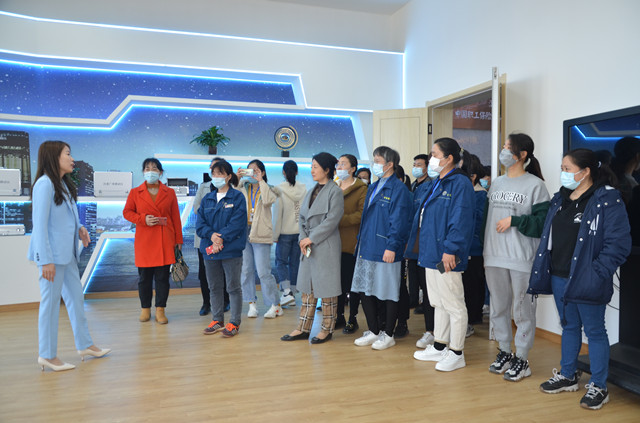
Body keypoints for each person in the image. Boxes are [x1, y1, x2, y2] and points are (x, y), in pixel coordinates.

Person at [529, 148, 631, 410]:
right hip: (559, 276)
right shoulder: (560, 198)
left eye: (567, 169)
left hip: (588, 278)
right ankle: (568, 375)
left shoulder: (606, 199)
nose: (563, 173)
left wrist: (597, 273)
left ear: (585, 172)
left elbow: (619, 244)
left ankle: (599, 386)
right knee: (569, 326)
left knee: (595, 331)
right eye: (562, 168)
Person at [28, 141, 110, 371]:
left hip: (67, 255)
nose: (72, 159)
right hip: (52, 258)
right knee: (50, 305)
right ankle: (47, 355)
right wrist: (45, 260)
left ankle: (85, 344)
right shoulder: (44, 184)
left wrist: (81, 228)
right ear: (54, 157)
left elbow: (64, 218)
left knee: (76, 299)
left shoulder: (62, 184)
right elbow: (40, 225)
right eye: (68, 154)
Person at [483, 133, 550, 381]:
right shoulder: (497, 183)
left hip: (521, 258)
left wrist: (515, 220)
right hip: (493, 256)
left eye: (508, 148)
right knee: (498, 307)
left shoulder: (536, 185)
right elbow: (486, 220)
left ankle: (522, 358)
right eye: (503, 146)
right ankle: (504, 351)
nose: (503, 151)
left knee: (522, 310)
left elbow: (542, 224)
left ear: (522, 155)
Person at [411, 138, 474, 372]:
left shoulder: (460, 184)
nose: (431, 159)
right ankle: (439, 345)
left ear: (449, 159)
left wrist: (451, 249)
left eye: (435, 154)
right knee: (438, 302)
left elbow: (461, 219)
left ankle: (457, 352)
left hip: (446, 255)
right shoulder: (438, 182)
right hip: (432, 253)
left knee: (454, 304)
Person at [352, 146, 412, 351]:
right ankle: (374, 330)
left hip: (386, 248)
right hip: (367, 245)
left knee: (388, 291)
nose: (374, 164)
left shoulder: (399, 189)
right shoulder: (373, 187)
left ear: (389, 165)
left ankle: (388, 334)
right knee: (365, 289)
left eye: (377, 161)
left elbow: (399, 222)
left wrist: (392, 246)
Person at [281, 152, 344, 344]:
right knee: (308, 289)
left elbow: (332, 220)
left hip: (325, 246)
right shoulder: (311, 190)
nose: (312, 170)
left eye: (315, 167)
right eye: (311, 166)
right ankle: (303, 328)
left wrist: (311, 238)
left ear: (327, 170)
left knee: (327, 290)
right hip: (308, 247)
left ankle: (327, 329)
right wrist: (303, 238)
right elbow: (302, 218)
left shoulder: (335, 191)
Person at [123, 158, 183, 324]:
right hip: (145, 241)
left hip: (165, 240)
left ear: (160, 172)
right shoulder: (135, 192)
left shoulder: (169, 193)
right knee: (144, 279)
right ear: (143, 172)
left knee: (162, 278)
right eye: (147, 168)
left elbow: (176, 218)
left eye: (154, 168)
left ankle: (160, 310)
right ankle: (145, 309)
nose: (150, 171)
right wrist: (142, 219)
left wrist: (178, 239)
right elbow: (127, 212)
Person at [196, 160, 247, 337]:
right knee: (214, 287)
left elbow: (237, 223)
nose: (216, 177)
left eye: (220, 173)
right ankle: (217, 319)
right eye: (214, 174)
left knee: (233, 287)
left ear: (229, 176)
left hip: (231, 249)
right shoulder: (207, 199)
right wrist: (212, 236)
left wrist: (220, 238)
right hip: (210, 250)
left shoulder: (237, 197)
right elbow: (200, 224)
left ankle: (234, 322)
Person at [237, 159, 282, 318]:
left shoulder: (269, 188)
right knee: (246, 270)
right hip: (244, 232)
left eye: (255, 170)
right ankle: (251, 304)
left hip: (261, 232)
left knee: (263, 272)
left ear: (262, 172)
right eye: (249, 170)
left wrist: (260, 181)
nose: (252, 173)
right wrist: (237, 179)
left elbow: (269, 200)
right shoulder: (243, 187)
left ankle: (275, 305)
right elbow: (232, 197)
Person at [406, 153, 436, 349]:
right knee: (418, 285)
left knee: (430, 291)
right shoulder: (415, 187)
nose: (416, 167)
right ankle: (430, 330)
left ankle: (433, 331)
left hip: (428, 246)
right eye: (414, 164)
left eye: (420, 164)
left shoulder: (433, 186)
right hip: (414, 245)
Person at [193, 157, 230, 316]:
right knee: (204, 273)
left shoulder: (230, 188)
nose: (215, 173)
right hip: (205, 237)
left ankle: (225, 301)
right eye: (212, 169)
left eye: (219, 170)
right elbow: (197, 208)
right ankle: (206, 303)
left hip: (223, 238)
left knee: (224, 270)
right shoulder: (204, 187)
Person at [335, 154, 367, 333]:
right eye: (338, 164)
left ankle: (352, 318)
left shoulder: (361, 188)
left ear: (353, 168)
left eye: (343, 164)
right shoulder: (333, 186)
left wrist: (340, 219)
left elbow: (362, 214)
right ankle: (338, 316)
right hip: (333, 242)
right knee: (337, 283)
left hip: (351, 242)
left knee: (353, 284)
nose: (339, 167)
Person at [460, 153, 488, 337]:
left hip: (474, 248)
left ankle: (471, 320)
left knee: (471, 286)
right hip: (461, 248)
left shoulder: (480, 195)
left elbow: (477, 223)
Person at [273, 160, 306, 306]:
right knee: (294, 263)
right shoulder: (304, 189)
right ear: (297, 172)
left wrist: (275, 235)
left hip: (284, 233)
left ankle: (287, 292)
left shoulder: (278, 190)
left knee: (281, 262)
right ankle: (292, 292)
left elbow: (277, 215)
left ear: (283, 172)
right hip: (300, 233)